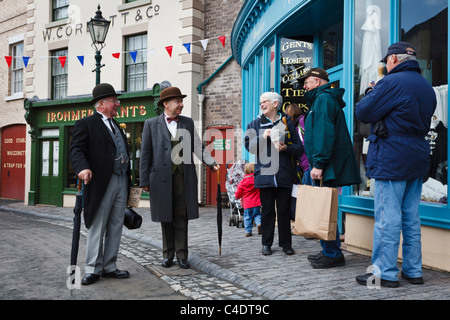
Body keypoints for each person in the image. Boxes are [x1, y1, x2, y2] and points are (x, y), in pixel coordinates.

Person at [355, 42, 436, 287]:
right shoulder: (427, 87)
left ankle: (384, 273)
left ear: (393, 60)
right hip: (417, 156)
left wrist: (371, 92)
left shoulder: (391, 82)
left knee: (387, 219)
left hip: (392, 157)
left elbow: (363, 113)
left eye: (386, 62)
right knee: (411, 217)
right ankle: (413, 271)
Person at [140, 86, 219, 269]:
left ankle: (182, 255)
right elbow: (145, 154)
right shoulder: (151, 124)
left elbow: (198, 146)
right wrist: (144, 180)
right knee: (165, 217)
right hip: (160, 179)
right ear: (166, 104)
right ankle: (168, 254)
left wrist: (211, 162)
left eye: (182, 101)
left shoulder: (187, 123)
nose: (181, 104)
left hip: (183, 178)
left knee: (181, 217)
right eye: (178, 101)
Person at [70, 83, 131, 285]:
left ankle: (110, 266)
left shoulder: (117, 125)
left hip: (121, 180)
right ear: (101, 104)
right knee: (98, 225)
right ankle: (93, 268)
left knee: (115, 224)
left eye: (116, 100)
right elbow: (76, 150)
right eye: (114, 101)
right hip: (100, 182)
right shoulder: (86, 124)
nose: (117, 104)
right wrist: (82, 168)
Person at [301, 68, 361, 269]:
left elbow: (324, 134)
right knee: (325, 208)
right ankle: (329, 249)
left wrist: (318, 164)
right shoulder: (322, 99)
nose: (304, 86)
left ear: (317, 82)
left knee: (324, 209)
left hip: (325, 166)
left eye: (307, 82)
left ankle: (332, 253)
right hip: (326, 165)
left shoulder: (323, 100)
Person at [245, 91, 302, 256]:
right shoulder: (255, 125)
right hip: (264, 176)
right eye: (260, 102)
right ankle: (266, 244)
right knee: (268, 211)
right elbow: (250, 146)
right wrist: (263, 137)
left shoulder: (287, 123)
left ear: (275, 104)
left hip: (284, 175)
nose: (262, 105)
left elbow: (299, 149)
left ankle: (286, 244)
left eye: (265, 102)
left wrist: (287, 148)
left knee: (284, 211)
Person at [285, 103, 311, 221]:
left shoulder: (299, 125)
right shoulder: (302, 122)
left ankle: (308, 224)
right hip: (307, 164)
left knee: (307, 196)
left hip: (308, 165)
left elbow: (302, 146)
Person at [235, 162, 262, 237]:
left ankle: (248, 231)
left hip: (247, 204)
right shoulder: (257, 180)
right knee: (257, 215)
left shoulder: (242, 182)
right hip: (257, 203)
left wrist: (237, 197)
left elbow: (238, 194)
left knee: (247, 217)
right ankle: (259, 224)